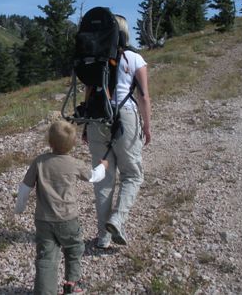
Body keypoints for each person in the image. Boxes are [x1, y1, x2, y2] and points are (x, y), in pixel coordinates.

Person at [15, 120, 107, 295]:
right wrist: (103, 165)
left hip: (43, 220)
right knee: (74, 249)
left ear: (49, 142)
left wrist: (19, 208)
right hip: (68, 219)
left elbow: (25, 187)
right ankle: (71, 285)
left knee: (46, 258)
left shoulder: (39, 162)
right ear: (73, 144)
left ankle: (44, 291)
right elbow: (94, 177)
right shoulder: (74, 163)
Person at [85, 15, 152, 249]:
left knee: (103, 179)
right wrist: (147, 125)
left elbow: (89, 93)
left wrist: (85, 126)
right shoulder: (134, 58)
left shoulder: (95, 58)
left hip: (96, 117)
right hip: (126, 117)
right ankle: (118, 219)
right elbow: (143, 95)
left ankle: (103, 237)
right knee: (132, 174)